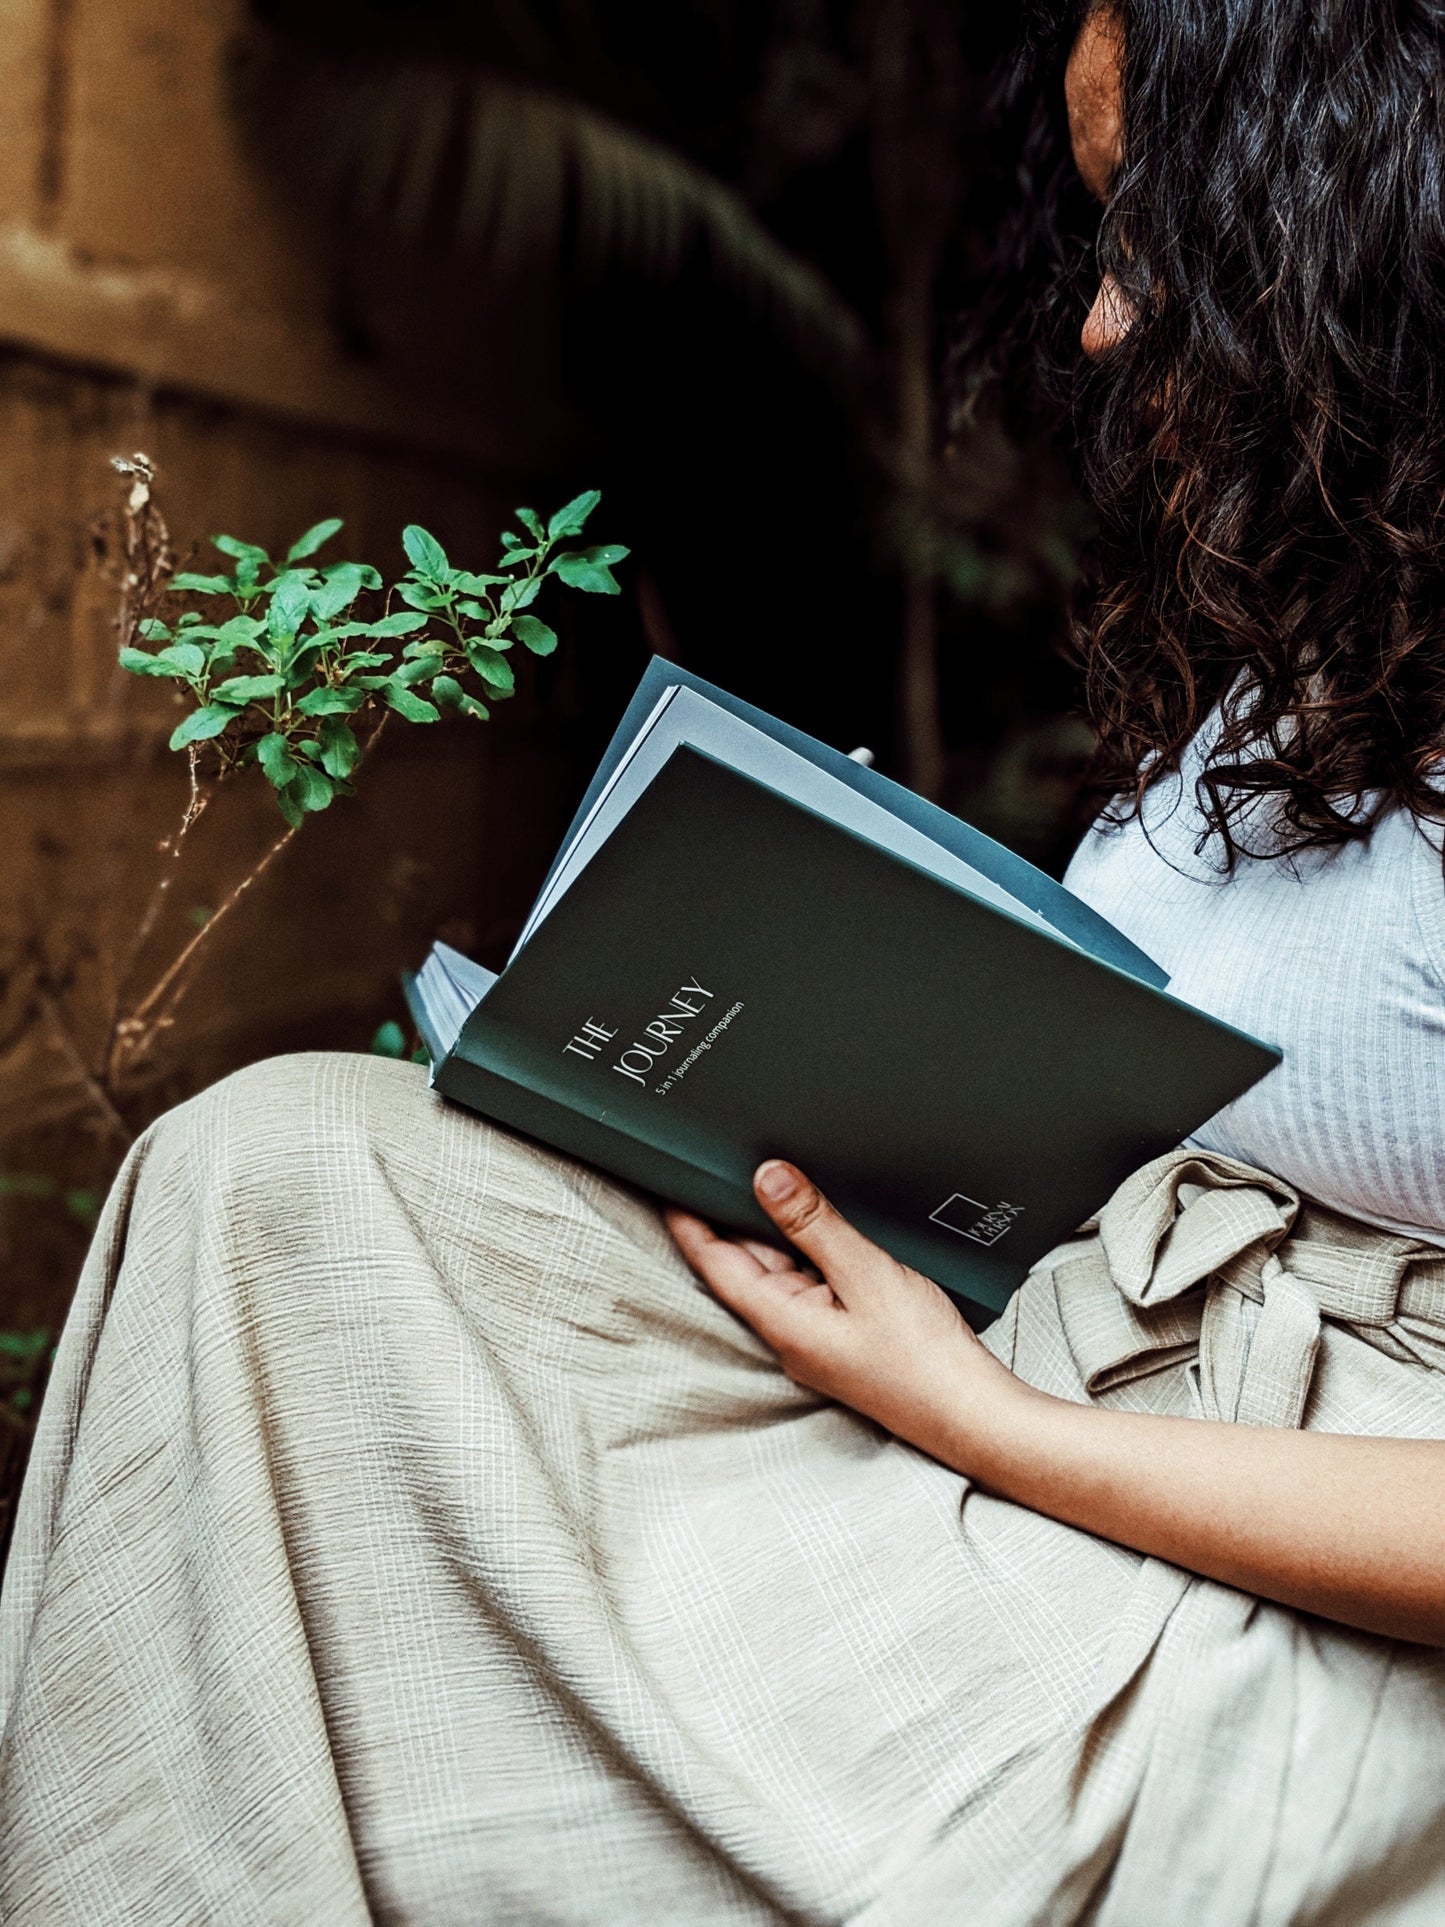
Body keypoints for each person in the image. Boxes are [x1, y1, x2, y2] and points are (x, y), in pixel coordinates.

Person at [4, 2, 1445, 1920]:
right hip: (1031, 1339)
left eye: (1161, 232)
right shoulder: (1305, 655)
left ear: (1360, 220)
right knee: (277, 1183)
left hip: (1220, 1527)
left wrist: (985, 1428)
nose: (1102, 323)